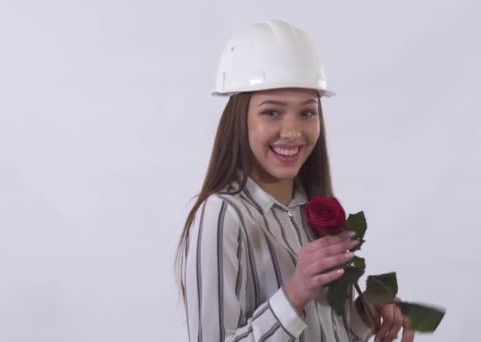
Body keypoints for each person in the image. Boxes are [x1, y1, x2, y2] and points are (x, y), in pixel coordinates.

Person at [176, 20, 415, 342]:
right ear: (240, 120)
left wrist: (364, 313)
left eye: (307, 113)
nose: (292, 132)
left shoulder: (314, 210)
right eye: (272, 112)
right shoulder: (223, 215)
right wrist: (293, 294)